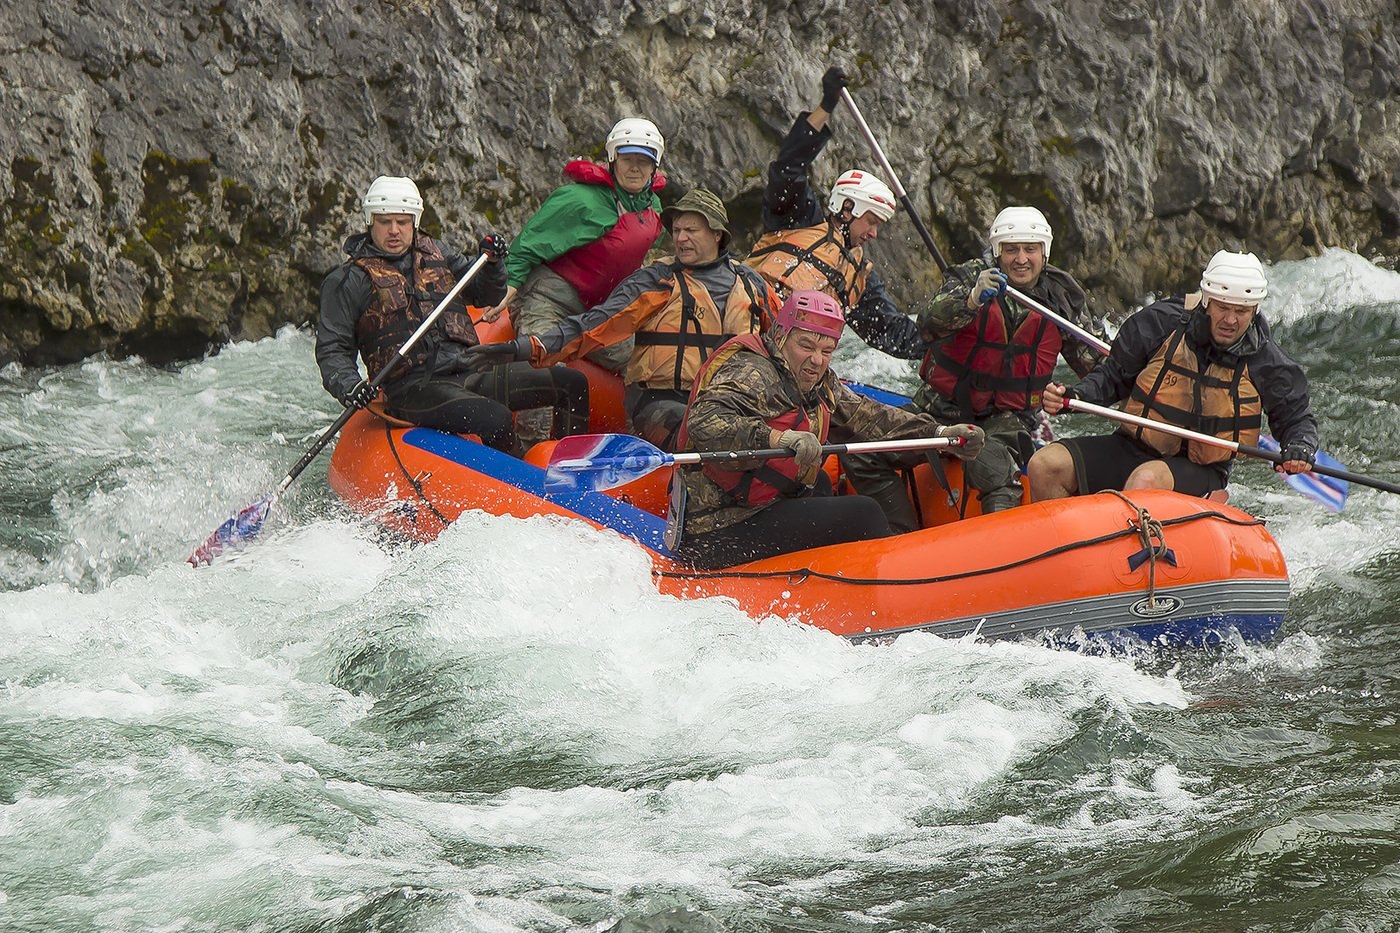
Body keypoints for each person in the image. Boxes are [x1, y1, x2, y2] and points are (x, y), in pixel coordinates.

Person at [671, 290, 985, 569]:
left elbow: (868, 417)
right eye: (805, 345)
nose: (816, 360)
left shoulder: (818, 382)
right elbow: (704, 421)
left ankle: (817, 580)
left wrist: (940, 433)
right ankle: (884, 594)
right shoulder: (752, 372)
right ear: (781, 335)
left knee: (818, 482)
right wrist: (779, 437)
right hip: (712, 532)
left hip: (754, 509)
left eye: (826, 350)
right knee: (865, 513)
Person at [843, 205, 1108, 527]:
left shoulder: (1061, 298)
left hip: (1005, 419)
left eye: (1030, 249)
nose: (1021, 259)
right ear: (997, 252)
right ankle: (899, 533)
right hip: (940, 407)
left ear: (1044, 252)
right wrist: (970, 300)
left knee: (995, 471)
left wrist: (1077, 392)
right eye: (1011, 250)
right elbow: (928, 325)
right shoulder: (969, 278)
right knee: (865, 455)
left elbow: (1095, 366)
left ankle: (1002, 553)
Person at [462, 188, 780, 450]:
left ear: (717, 235)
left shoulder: (753, 286)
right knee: (709, 432)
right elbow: (594, 325)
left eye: (691, 230)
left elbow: (788, 347)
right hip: (662, 405)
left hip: (730, 405)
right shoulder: (657, 281)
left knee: (773, 451)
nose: (681, 238)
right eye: (677, 230)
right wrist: (526, 348)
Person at [315, 175, 589, 451]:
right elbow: (332, 349)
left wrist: (493, 264)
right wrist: (349, 386)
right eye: (385, 222)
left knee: (572, 383)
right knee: (496, 419)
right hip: (414, 388)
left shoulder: (437, 254)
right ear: (370, 222)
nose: (394, 230)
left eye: (403, 221)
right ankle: (522, 486)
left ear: (415, 222)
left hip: (469, 367)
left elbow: (487, 295)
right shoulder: (347, 280)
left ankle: (571, 469)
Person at [1028, 250, 1319, 499]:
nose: (1230, 320)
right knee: (1045, 465)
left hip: (1201, 469)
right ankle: (1061, 550)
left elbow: (1296, 418)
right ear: (1206, 300)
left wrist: (1299, 447)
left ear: (1255, 309)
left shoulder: (1268, 362)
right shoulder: (1161, 323)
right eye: (1222, 308)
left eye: (1241, 311)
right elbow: (1113, 376)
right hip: (1132, 447)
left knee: (1145, 480)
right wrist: (1075, 395)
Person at [745, 66, 925, 359]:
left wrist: (955, 326)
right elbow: (789, 166)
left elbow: (892, 333)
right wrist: (826, 105)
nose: (874, 233)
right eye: (871, 221)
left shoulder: (860, 278)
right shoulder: (798, 217)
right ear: (848, 208)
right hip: (750, 337)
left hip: (798, 361)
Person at [483, 117, 667, 373]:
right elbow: (527, 246)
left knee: (631, 361)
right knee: (543, 360)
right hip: (549, 299)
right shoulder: (579, 200)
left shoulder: (653, 209)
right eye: (627, 160)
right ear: (614, 160)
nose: (635, 168)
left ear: (654, 167)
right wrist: (504, 293)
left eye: (643, 161)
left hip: (600, 310)